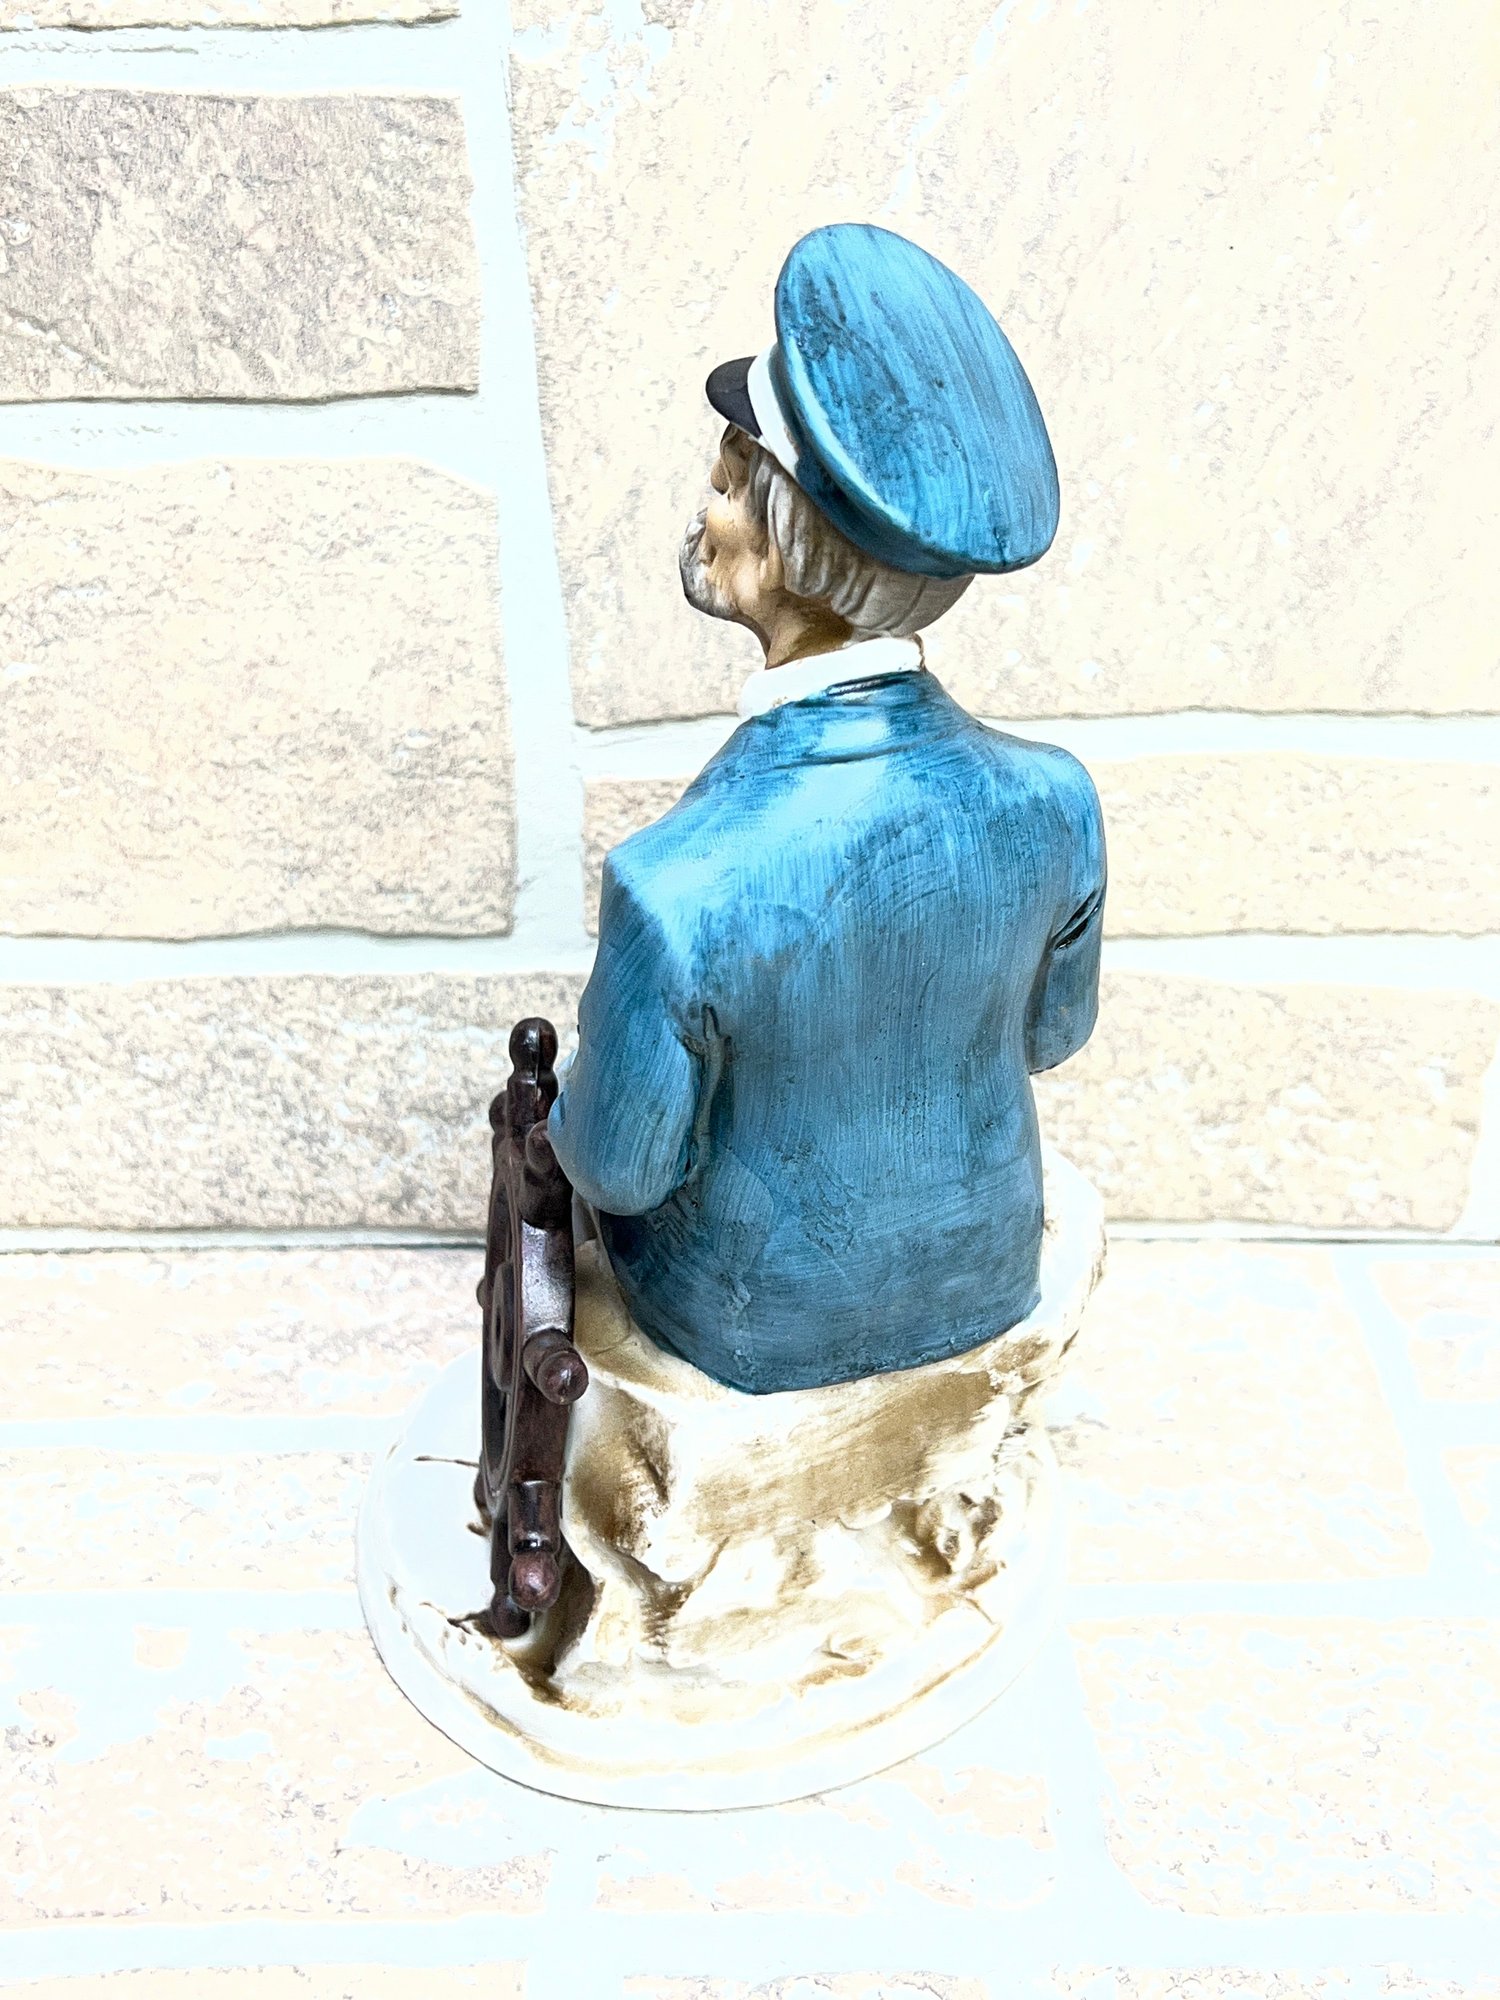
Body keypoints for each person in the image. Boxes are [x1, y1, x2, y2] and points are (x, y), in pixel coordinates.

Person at [548, 223, 1105, 1394]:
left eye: (727, 479)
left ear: (784, 549)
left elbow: (619, 1167)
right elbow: (1049, 1038)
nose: (705, 505)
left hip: (754, 1330)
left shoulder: (678, 886)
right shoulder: (1056, 800)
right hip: (987, 1272)